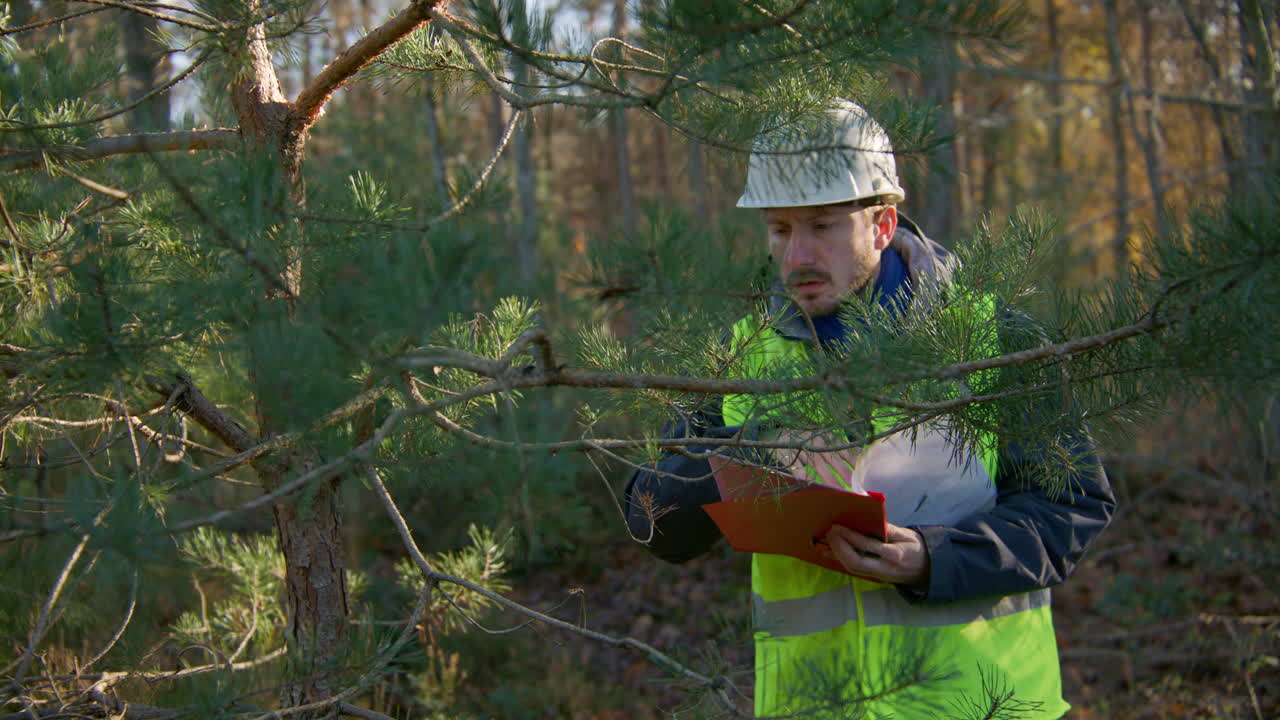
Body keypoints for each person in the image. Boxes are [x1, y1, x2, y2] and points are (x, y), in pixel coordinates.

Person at [623, 101, 1115, 718]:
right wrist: (751, 448)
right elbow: (651, 523)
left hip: (979, 705)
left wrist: (932, 559)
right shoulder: (738, 358)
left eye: (823, 226)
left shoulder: (994, 341)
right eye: (780, 229)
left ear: (881, 226)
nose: (797, 255)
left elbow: (1074, 509)